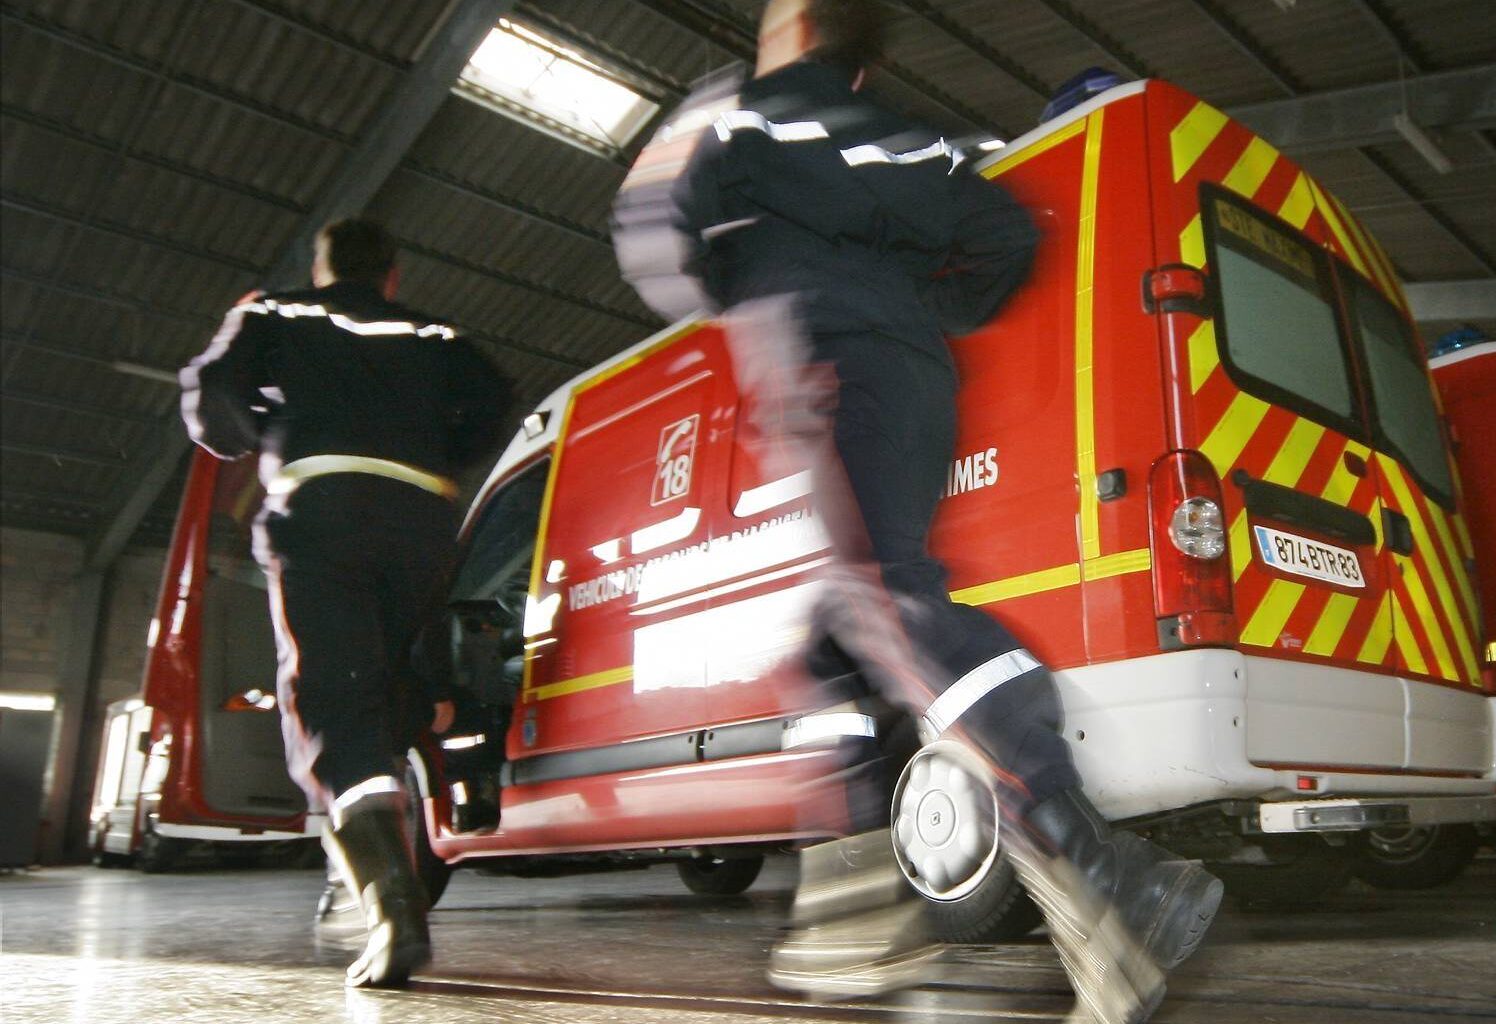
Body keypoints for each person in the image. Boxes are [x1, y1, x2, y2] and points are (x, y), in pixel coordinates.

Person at [611, 2, 1222, 1020]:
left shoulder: (739, 119)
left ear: (798, 27)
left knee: (881, 596)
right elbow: (996, 235)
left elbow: (652, 237)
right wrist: (915, 306)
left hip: (821, 370)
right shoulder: (906, 136)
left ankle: (1105, 874)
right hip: (908, 380)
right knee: (828, 645)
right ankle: (853, 909)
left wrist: (752, 270)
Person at [180, 218, 511, 988]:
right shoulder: (432, 332)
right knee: (393, 684)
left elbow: (212, 394)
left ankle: (392, 903)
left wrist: (267, 434)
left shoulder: (276, 311)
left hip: (323, 507)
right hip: (422, 519)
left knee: (331, 695)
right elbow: (494, 402)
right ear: (393, 275)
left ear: (322, 266)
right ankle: (395, 812)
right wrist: (431, 454)